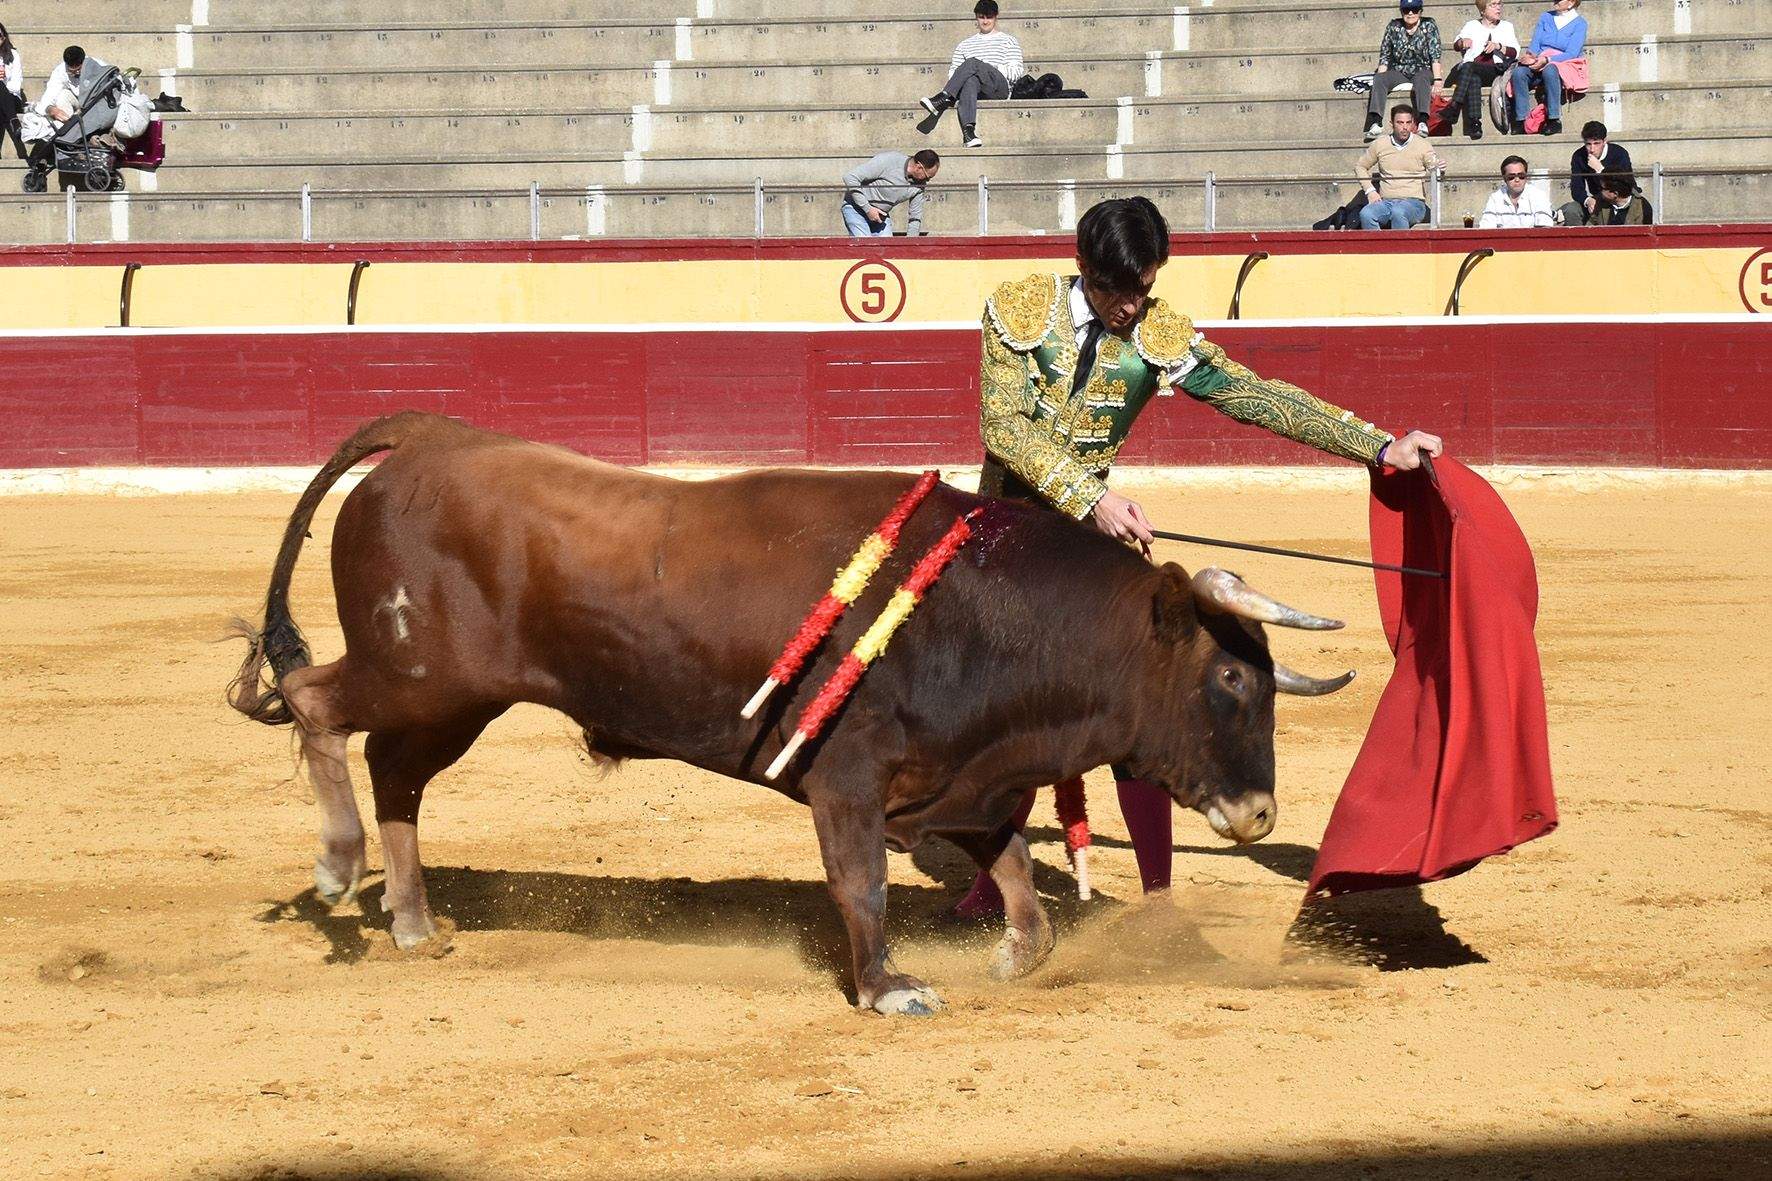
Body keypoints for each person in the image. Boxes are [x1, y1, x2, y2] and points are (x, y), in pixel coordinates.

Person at [960, 196, 1442, 913]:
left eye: (1143, 291)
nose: (1129, 308)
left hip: (1089, 558)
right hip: (1002, 551)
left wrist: (1377, 444)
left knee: (1137, 712)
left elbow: (1251, 394)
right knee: (1013, 724)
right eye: (1116, 291)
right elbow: (1005, 429)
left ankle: (1157, 899)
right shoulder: (1020, 309)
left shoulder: (1159, 334)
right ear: (1084, 269)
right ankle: (988, 888)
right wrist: (1094, 497)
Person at [918, 1, 1027, 148]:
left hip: (999, 87)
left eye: (989, 17)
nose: (985, 21)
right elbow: (953, 73)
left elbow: (1017, 72)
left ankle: (944, 98)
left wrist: (987, 68)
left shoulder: (1008, 41)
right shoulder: (965, 44)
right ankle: (969, 133)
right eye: (982, 17)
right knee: (970, 80)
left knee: (972, 63)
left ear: (996, 17)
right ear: (976, 17)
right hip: (975, 91)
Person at [1363, 0, 1442, 142]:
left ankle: (1423, 121)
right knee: (1379, 78)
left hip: (1423, 69)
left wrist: (1437, 79)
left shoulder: (1428, 25)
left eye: (1414, 9)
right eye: (1406, 10)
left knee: (1421, 79)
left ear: (1420, 11)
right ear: (1401, 11)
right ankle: (1375, 122)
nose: (1410, 13)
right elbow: (1385, 56)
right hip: (1400, 70)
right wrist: (1380, 79)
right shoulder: (1394, 26)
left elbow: (1435, 55)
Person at [1355, 106, 1443, 229]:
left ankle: (1400, 248)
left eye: (1408, 122)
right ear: (1392, 124)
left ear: (1413, 123)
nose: (1405, 127)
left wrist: (1438, 168)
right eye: (1400, 123)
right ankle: (1377, 247)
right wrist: (1370, 191)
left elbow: (1433, 166)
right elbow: (1360, 166)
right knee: (1366, 213)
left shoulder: (1423, 145)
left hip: (1413, 203)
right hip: (1386, 202)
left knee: (1398, 212)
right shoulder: (1380, 144)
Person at [1510, 0, 1586, 136]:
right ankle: (1521, 120)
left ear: (1571, 2)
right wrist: (1531, 57)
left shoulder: (1580, 23)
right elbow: (1535, 44)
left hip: (1563, 63)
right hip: (1539, 59)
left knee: (1550, 69)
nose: (1555, 1)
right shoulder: (1545, 17)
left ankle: (1554, 119)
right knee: (1519, 73)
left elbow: (1572, 53)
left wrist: (1547, 60)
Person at [1448, 0, 1519, 140]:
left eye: (1499, 4)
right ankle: (1475, 124)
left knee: (1468, 66)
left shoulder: (1506, 26)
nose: (1498, 8)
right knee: (1473, 79)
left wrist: (1498, 46)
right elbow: (1456, 45)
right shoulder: (1472, 25)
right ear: (1482, 10)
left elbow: (1514, 52)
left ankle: (1455, 105)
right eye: (1493, 5)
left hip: (1495, 70)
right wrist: (1463, 42)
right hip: (1474, 71)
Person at [841, 149, 939, 237]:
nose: (927, 181)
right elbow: (850, 177)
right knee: (864, 247)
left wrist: (910, 245)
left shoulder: (919, 185)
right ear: (918, 167)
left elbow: (915, 216)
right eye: (927, 177)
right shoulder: (889, 161)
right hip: (856, 209)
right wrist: (868, 209)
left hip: (880, 217)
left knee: (888, 251)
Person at [1559, 120, 1632, 224]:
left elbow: (1625, 186)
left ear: (1604, 141)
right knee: (1571, 209)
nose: (1592, 149)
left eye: (1596, 143)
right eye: (1588, 144)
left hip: (1620, 199)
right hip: (1597, 199)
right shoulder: (1579, 156)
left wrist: (1600, 170)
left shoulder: (1619, 154)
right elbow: (1576, 188)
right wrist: (1587, 200)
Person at [1479, 155, 1553, 227]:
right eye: (1511, 177)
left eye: (1521, 176)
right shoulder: (1495, 199)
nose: (1517, 179)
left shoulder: (1538, 196)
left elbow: (1545, 228)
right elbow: (1486, 228)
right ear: (1504, 178)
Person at [1583, 171, 1651, 225]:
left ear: (1615, 194)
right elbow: (1591, 225)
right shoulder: (1601, 203)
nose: (1600, 191)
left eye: (1602, 188)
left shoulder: (1642, 207)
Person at [0, 23, 26, 160]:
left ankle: (14, 120)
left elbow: (16, 84)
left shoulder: (13, 55)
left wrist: (3, 84)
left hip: (12, 99)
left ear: (4, 38)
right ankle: (14, 121)